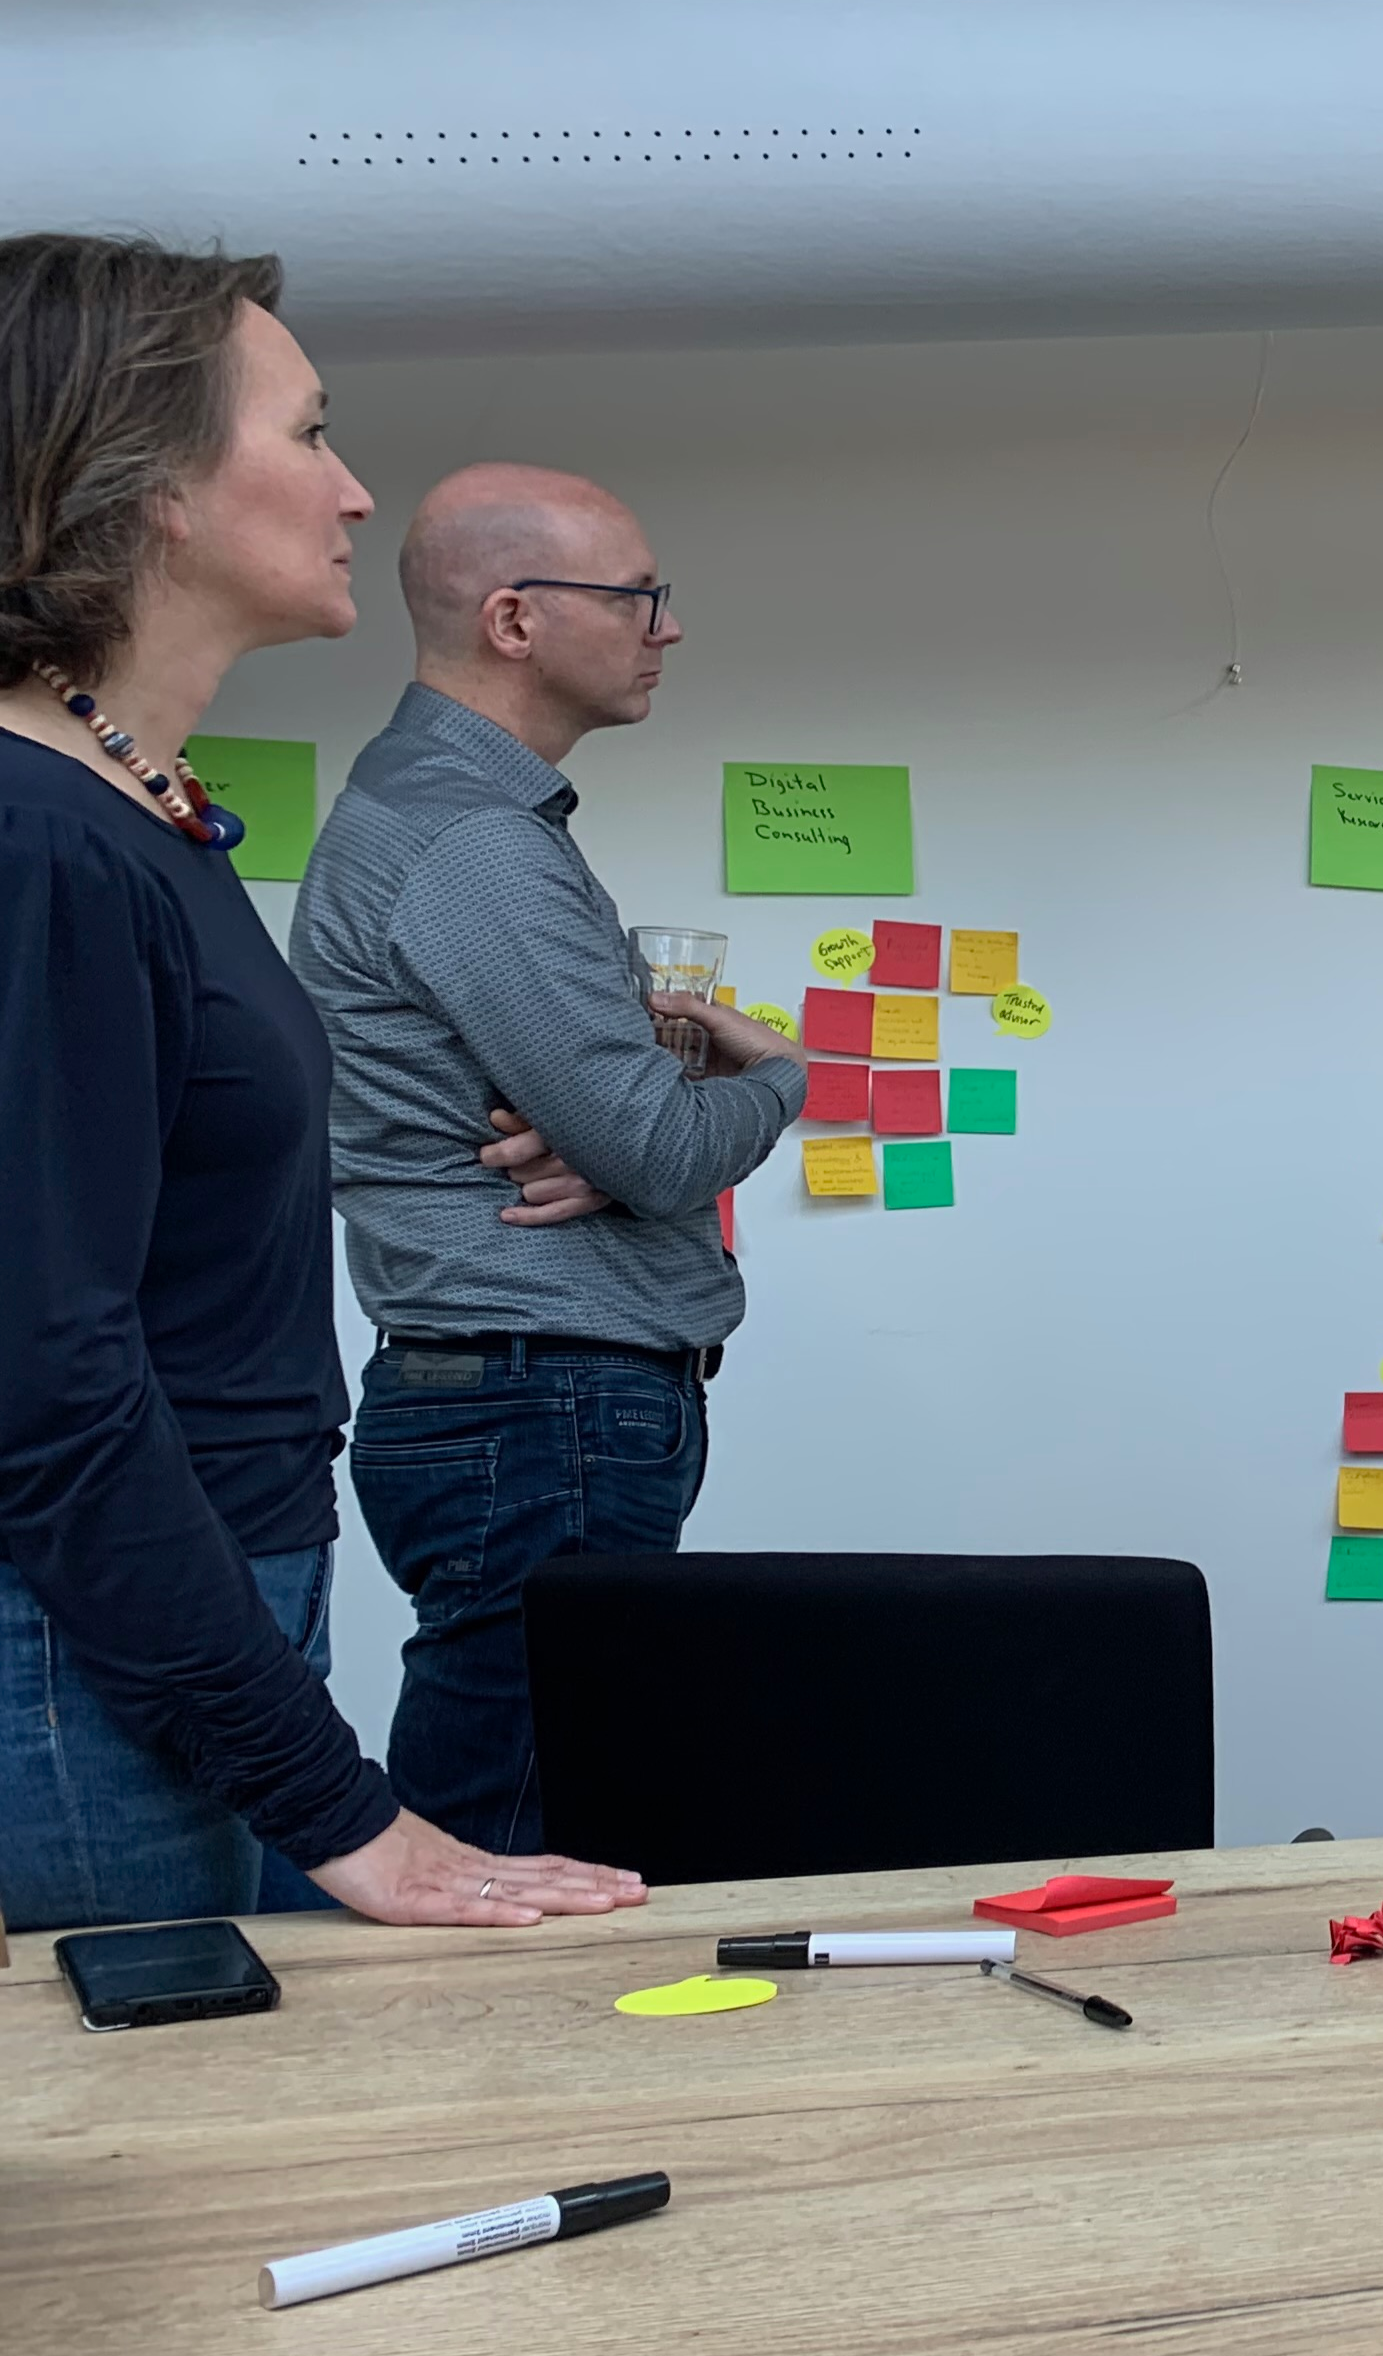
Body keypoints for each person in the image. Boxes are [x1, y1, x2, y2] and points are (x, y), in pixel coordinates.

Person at [0, 232, 645, 1932]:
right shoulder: (39, 843)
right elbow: (46, 1386)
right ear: (148, 493)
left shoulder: (137, 815)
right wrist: (337, 1806)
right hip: (103, 1645)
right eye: (305, 435)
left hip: (194, 1605)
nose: (357, 493)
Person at [290, 464, 803, 1856]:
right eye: (640, 596)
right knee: (513, 1845)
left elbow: (625, 1137)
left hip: (524, 1402)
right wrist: (776, 1077)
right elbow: (647, 1145)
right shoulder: (474, 844)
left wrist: (635, 1134)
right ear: (514, 619)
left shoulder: (451, 818)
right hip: (545, 1406)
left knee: (524, 1817)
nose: (666, 627)